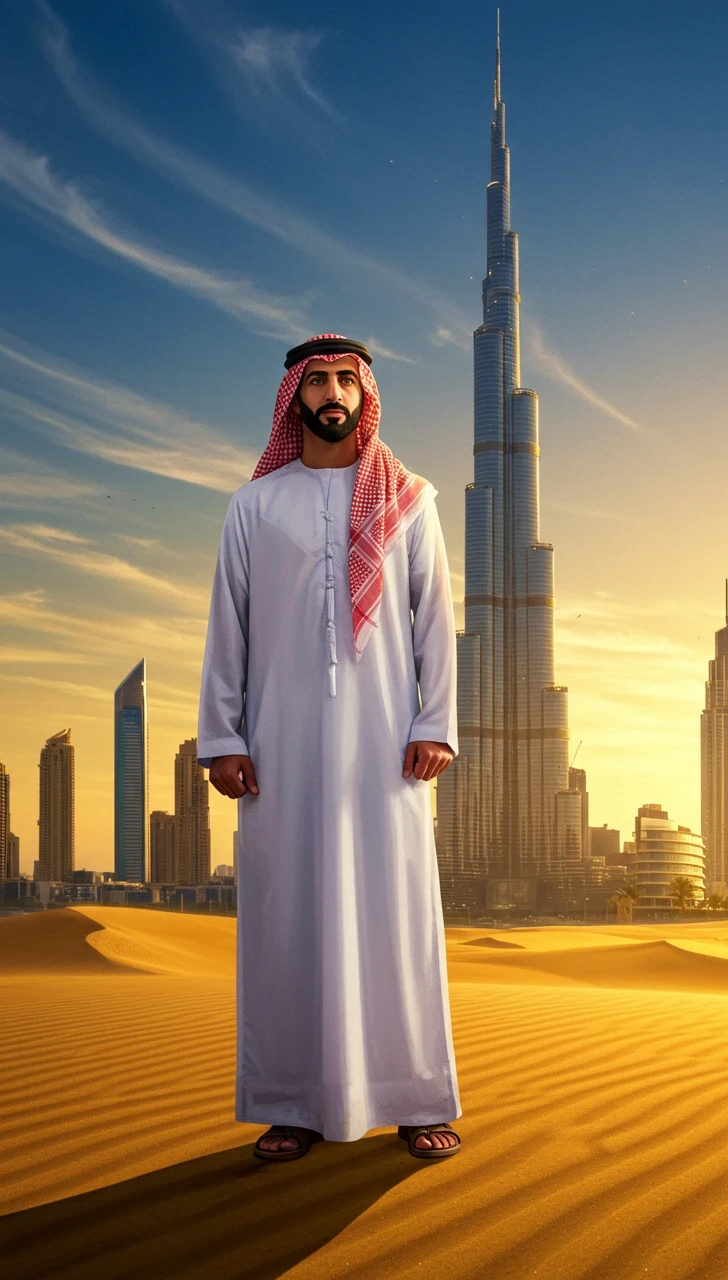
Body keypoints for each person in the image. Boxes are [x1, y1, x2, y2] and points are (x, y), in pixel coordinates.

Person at [197, 334, 461, 1162]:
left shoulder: (410, 500)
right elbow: (226, 631)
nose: (333, 390)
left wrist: (433, 724)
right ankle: (292, 1105)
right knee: (285, 924)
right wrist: (223, 736)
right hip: (280, 749)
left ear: (366, 392)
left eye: (347, 377)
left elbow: (433, 621)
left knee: (400, 920)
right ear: (294, 399)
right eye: (318, 379)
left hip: (387, 747)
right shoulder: (255, 507)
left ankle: (416, 1099)